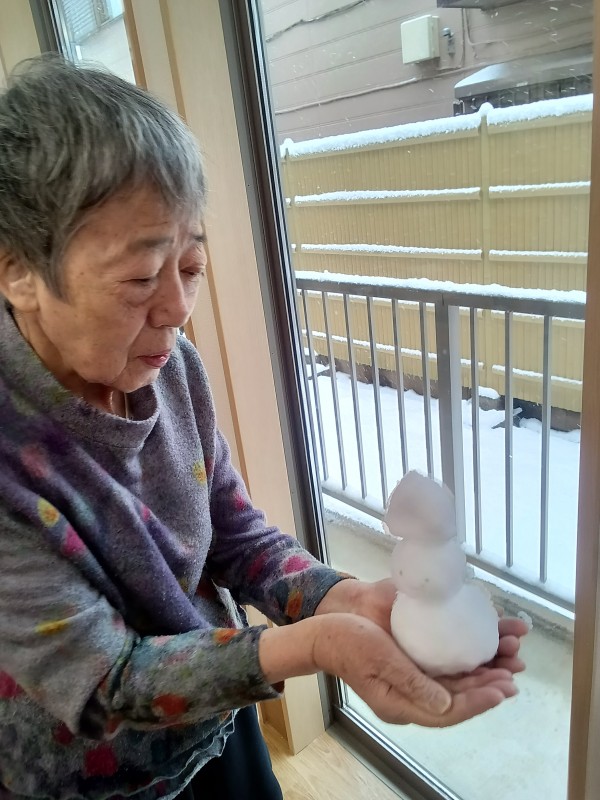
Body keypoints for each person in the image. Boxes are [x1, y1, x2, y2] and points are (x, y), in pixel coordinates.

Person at [0, 56, 527, 800]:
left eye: (191, 267)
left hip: (211, 707)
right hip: (88, 778)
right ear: (19, 271)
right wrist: (319, 645)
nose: (177, 310)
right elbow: (107, 678)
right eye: (141, 278)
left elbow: (236, 535)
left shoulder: (169, 368)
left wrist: (344, 601)